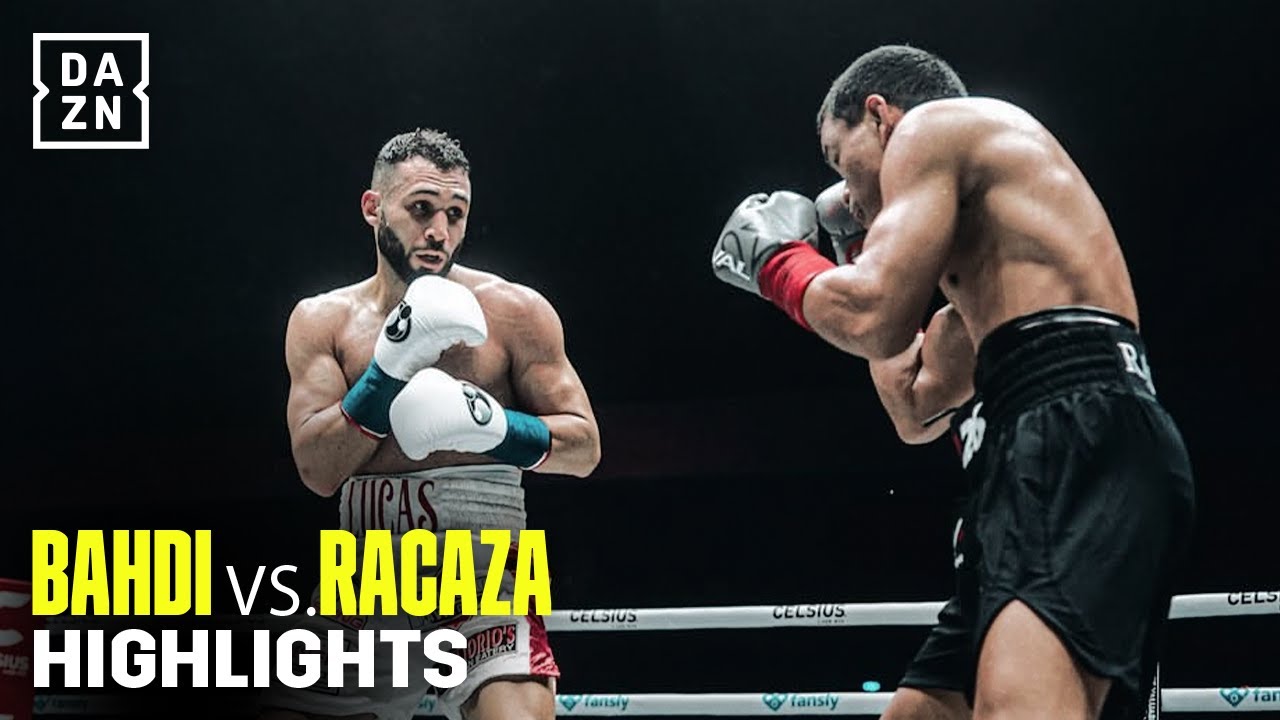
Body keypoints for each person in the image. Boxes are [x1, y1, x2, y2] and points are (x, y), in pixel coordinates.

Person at [711, 45, 1195, 720]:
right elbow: (912, 406)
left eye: (838, 159)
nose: (845, 195)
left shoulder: (932, 126)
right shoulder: (993, 284)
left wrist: (778, 263)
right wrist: (854, 251)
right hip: (1041, 446)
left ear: (879, 116)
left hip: (1072, 433)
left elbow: (871, 314)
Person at [274, 128, 601, 720]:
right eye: (421, 209)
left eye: (456, 213)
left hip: (485, 567)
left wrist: (495, 427)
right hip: (362, 567)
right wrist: (388, 372)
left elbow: (584, 447)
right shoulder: (321, 321)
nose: (439, 231)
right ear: (374, 208)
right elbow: (317, 471)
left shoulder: (515, 311)